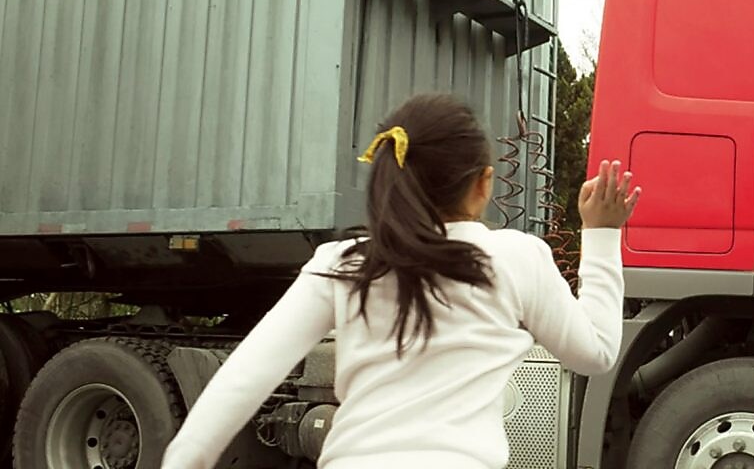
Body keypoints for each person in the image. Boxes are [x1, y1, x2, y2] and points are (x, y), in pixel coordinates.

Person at [161, 93, 641, 469]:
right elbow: (596, 353)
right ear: (484, 184)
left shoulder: (343, 263)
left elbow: (243, 378)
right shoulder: (516, 257)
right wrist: (601, 236)